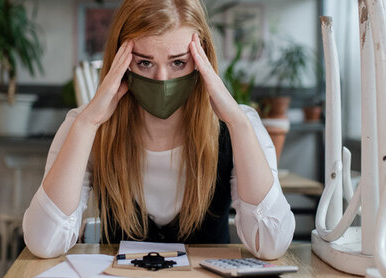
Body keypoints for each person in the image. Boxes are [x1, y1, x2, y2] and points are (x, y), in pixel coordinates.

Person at [23, 0, 295, 259]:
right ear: (121, 62)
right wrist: (87, 125)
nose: (162, 80)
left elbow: (271, 245)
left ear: (203, 61)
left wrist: (237, 124)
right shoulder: (85, 125)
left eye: (178, 63)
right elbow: (43, 242)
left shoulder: (240, 124)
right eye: (144, 63)